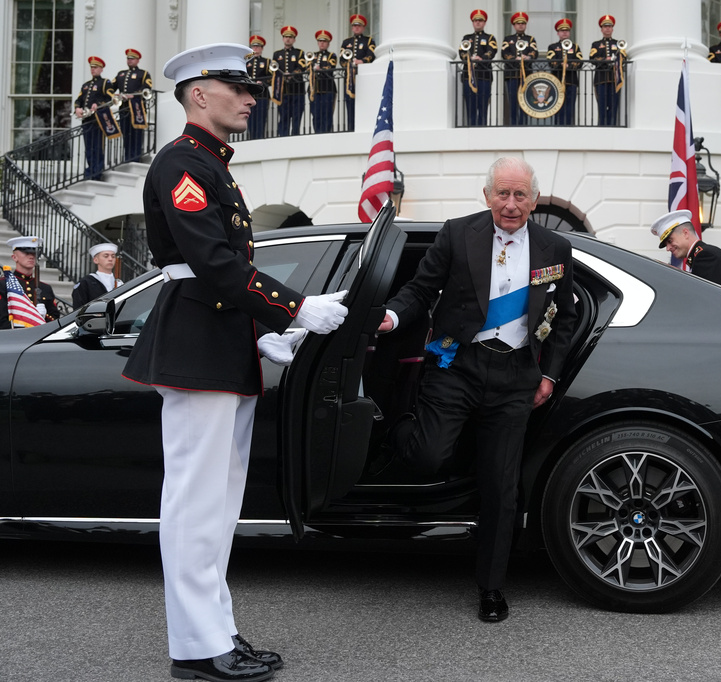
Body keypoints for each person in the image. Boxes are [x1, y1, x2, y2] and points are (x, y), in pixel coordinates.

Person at [121, 43, 349, 682]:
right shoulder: (183, 165)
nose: (252, 98)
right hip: (197, 342)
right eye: (238, 88)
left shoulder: (211, 165)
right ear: (198, 94)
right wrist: (295, 310)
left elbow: (224, 270)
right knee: (196, 505)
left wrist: (258, 333)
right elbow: (218, 267)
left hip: (218, 341)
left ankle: (215, 631)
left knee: (218, 508)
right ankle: (196, 648)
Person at [378, 157, 576, 623]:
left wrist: (549, 376)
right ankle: (396, 431)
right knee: (427, 456)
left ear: (534, 198)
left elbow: (563, 319)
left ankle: (491, 586)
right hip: (457, 365)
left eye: (520, 195)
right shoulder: (456, 232)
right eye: (502, 194)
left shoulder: (554, 247)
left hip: (516, 379)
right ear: (487, 195)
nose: (511, 204)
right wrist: (391, 316)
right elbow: (422, 290)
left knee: (501, 488)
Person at [652, 209, 721, 290]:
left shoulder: (706, 256)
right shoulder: (699, 257)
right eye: (666, 245)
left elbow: (709, 301)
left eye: (670, 241)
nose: (668, 248)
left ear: (685, 233)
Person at [0, 236, 60, 330]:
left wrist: (44, 316)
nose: (31, 256)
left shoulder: (45, 288)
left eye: (34, 253)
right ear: (14, 257)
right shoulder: (2, 285)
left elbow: (55, 319)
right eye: (26, 253)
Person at [74, 56, 115, 181]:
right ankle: (90, 171)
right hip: (86, 120)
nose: (93, 70)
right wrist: (77, 108)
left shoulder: (105, 83)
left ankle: (96, 172)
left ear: (101, 69)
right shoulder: (85, 85)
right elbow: (79, 100)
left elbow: (110, 98)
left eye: (95, 67)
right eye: (91, 67)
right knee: (89, 147)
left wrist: (98, 103)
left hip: (98, 120)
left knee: (98, 147)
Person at [113, 48, 153, 164]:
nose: (129, 61)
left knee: (136, 133)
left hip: (137, 108)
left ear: (137, 60)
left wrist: (133, 95)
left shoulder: (143, 74)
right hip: (124, 108)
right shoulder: (121, 74)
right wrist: (115, 94)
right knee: (126, 133)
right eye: (128, 59)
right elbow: (110, 87)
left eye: (132, 59)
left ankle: (135, 157)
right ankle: (127, 157)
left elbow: (147, 87)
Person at [459, 10, 497, 127]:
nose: (478, 23)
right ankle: (471, 127)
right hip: (469, 76)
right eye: (476, 21)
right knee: (470, 105)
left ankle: (482, 128)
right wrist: (469, 59)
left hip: (484, 76)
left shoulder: (490, 37)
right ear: (473, 23)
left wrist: (482, 58)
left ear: (484, 23)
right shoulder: (467, 37)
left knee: (483, 105)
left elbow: (492, 51)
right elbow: (462, 52)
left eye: (480, 21)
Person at [341, 14, 376, 132]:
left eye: (358, 26)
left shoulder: (368, 41)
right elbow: (342, 60)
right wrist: (349, 65)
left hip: (364, 78)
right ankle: (351, 128)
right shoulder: (346, 42)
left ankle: (364, 128)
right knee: (349, 104)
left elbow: (371, 55)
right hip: (349, 79)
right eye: (354, 26)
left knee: (364, 103)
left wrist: (362, 61)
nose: (356, 28)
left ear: (363, 27)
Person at [501, 12, 537, 126]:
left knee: (525, 102)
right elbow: (504, 53)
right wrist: (513, 58)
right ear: (514, 25)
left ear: (525, 25)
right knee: (512, 102)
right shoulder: (508, 39)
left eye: (522, 23)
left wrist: (528, 57)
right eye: (518, 23)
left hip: (526, 75)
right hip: (511, 74)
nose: (520, 25)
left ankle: (524, 125)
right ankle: (513, 124)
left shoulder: (530, 39)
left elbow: (534, 52)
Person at [590, 15, 625, 126]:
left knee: (613, 106)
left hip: (615, 80)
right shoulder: (596, 44)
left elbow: (624, 57)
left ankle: (612, 126)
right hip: (601, 79)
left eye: (609, 26)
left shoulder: (618, 43)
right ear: (601, 29)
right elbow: (592, 58)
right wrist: (606, 60)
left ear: (612, 29)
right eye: (605, 26)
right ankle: (601, 127)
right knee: (602, 106)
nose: (607, 29)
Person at [547, 18, 582, 126]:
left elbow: (580, 62)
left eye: (567, 30)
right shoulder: (553, 47)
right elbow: (550, 61)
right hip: (557, 81)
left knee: (570, 107)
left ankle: (569, 128)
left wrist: (569, 65)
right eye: (562, 31)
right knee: (558, 107)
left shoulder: (575, 47)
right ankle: (558, 127)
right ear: (558, 33)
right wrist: (560, 65)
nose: (565, 32)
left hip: (571, 81)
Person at [273, 25, 305, 137]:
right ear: (283, 39)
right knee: (284, 116)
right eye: (286, 37)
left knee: (296, 116)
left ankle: (295, 136)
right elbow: (274, 69)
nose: (288, 39)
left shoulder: (299, 53)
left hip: (297, 90)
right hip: (283, 91)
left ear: (294, 39)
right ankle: (283, 136)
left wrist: (291, 74)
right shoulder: (277, 54)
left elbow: (302, 67)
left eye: (290, 37)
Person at [71, 242, 123, 307]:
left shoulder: (119, 283)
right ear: (96, 260)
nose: (110, 259)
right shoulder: (86, 283)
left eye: (113, 256)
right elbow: (78, 306)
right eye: (106, 256)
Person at [310, 30, 338, 134]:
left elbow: (331, 67)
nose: (322, 43)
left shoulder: (332, 55)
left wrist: (319, 68)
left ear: (328, 43)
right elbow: (307, 67)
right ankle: (317, 133)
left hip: (328, 88)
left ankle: (326, 132)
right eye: (320, 41)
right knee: (315, 113)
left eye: (324, 41)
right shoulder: (312, 55)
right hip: (315, 89)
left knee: (327, 113)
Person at [246, 36, 271, 139]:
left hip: (262, 94)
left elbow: (271, 78)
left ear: (262, 48)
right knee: (250, 119)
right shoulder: (247, 62)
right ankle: (252, 137)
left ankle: (259, 137)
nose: (255, 49)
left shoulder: (267, 62)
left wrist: (263, 82)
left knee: (261, 118)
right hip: (250, 95)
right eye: (254, 46)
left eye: (258, 47)